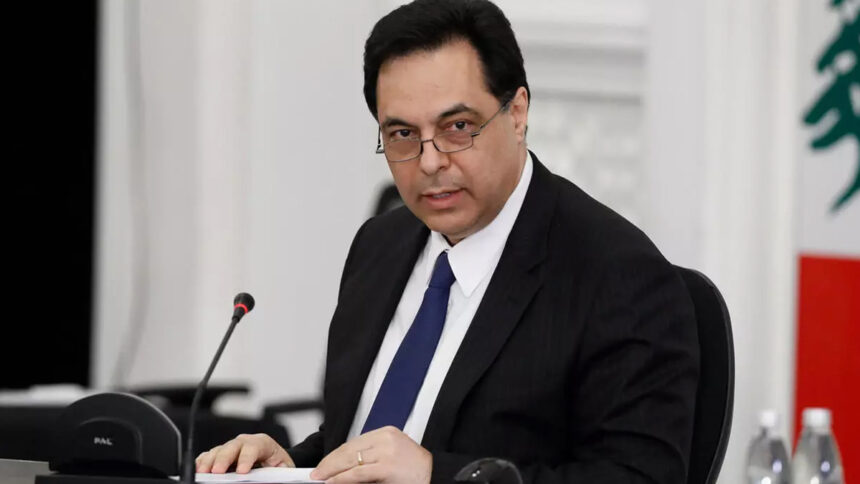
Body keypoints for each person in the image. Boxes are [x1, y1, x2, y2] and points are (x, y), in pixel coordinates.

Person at [195, 1, 700, 483]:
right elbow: (358, 437)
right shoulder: (380, 245)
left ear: (517, 113)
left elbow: (638, 477)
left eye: (457, 127)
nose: (430, 161)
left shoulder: (618, 277)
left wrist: (435, 476)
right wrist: (288, 467)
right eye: (402, 134)